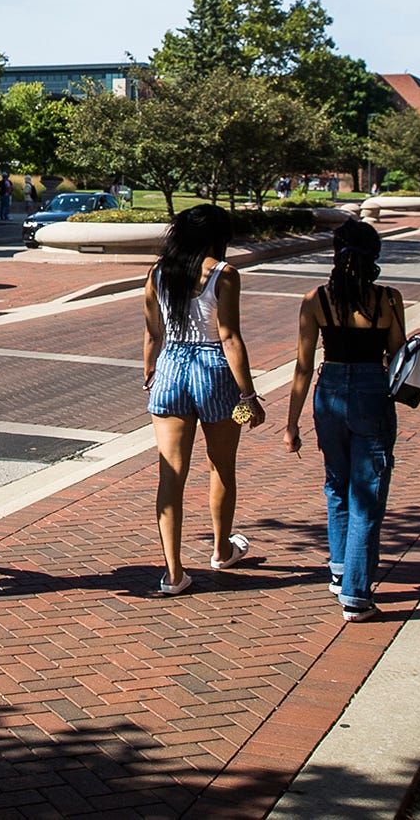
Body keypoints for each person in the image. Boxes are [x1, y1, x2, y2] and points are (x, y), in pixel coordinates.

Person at [284, 219, 405, 623]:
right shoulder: (388, 299)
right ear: (375, 256)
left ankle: (339, 571)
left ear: (336, 254)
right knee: (367, 494)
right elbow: (398, 355)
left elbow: (303, 366)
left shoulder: (315, 299)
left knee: (337, 484)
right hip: (372, 389)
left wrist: (292, 424)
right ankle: (355, 593)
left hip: (329, 390)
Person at [141, 204, 263, 596]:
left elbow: (153, 333)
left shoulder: (158, 273)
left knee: (170, 475)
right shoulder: (224, 274)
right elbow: (229, 337)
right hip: (214, 370)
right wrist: (249, 395)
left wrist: (150, 372)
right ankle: (222, 550)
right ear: (217, 236)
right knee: (221, 466)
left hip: (171, 366)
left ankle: (173, 573)